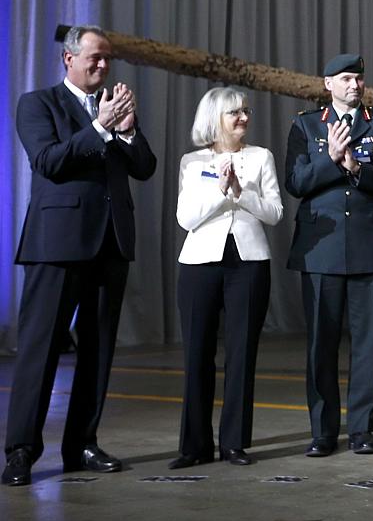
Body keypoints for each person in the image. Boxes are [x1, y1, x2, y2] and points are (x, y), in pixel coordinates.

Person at [3, 25, 157, 487]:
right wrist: (99, 127)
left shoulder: (114, 108)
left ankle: (82, 445)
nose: (103, 66)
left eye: (108, 59)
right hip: (57, 243)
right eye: (94, 57)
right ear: (68, 60)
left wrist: (127, 132)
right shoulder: (38, 104)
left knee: (98, 350)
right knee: (40, 348)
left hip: (109, 242)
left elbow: (145, 168)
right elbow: (48, 161)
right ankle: (21, 451)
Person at [283, 53, 373, 457]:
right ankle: (322, 431)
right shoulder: (305, 125)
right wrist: (331, 160)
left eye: (358, 78)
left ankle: (361, 429)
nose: (354, 85)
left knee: (367, 346)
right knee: (321, 344)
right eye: (345, 79)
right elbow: (297, 182)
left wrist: (358, 169)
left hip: (369, 249)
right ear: (328, 84)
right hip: (321, 252)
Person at [169, 87, 284, 469]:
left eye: (246, 112)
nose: (244, 119)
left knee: (241, 355)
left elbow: (274, 213)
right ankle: (194, 446)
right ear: (214, 119)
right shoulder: (192, 161)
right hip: (200, 262)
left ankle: (234, 443)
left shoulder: (260, 157)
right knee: (197, 354)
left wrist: (241, 193)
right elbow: (186, 219)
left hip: (249, 263)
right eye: (235, 113)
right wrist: (220, 193)